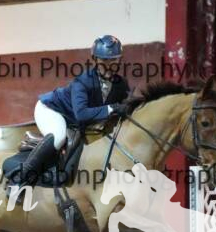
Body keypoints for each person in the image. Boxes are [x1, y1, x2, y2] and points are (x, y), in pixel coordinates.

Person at [10, 35, 130, 194]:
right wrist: (111, 108)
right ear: (95, 60)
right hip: (52, 110)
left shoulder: (121, 84)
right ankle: (19, 180)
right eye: (104, 61)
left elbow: (125, 108)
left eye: (113, 61)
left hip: (74, 120)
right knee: (59, 137)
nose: (109, 66)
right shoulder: (83, 81)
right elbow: (82, 114)